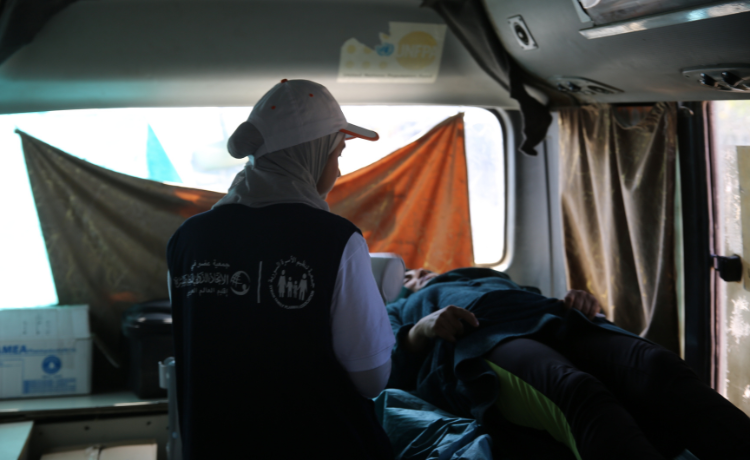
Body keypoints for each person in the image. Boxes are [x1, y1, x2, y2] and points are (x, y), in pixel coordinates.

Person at [167, 79, 395, 460]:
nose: (338, 170)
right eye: (336, 153)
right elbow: (372, 379)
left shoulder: (187, 239)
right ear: (312, 152)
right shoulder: (336, 239)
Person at [387, 267, 750, 460]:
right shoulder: (400, 310)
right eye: (408, 277)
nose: (418, 272)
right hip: (477, 337)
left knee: (658, 366)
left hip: (553, 317)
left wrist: (576, 299)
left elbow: (541, 300)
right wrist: (421, 328)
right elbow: (387, 372)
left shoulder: (486, 276)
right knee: (576, 390)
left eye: (422, 268)